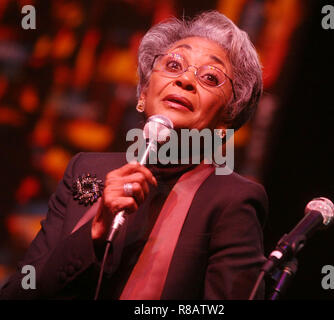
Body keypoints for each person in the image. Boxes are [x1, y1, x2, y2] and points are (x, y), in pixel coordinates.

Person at [0, 10, 267, 300]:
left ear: (226, 121)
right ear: (142, 93)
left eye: (210, 77)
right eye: (174, 64)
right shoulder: (85, 169)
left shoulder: (232, 199)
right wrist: (95, 230)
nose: (185, 81)